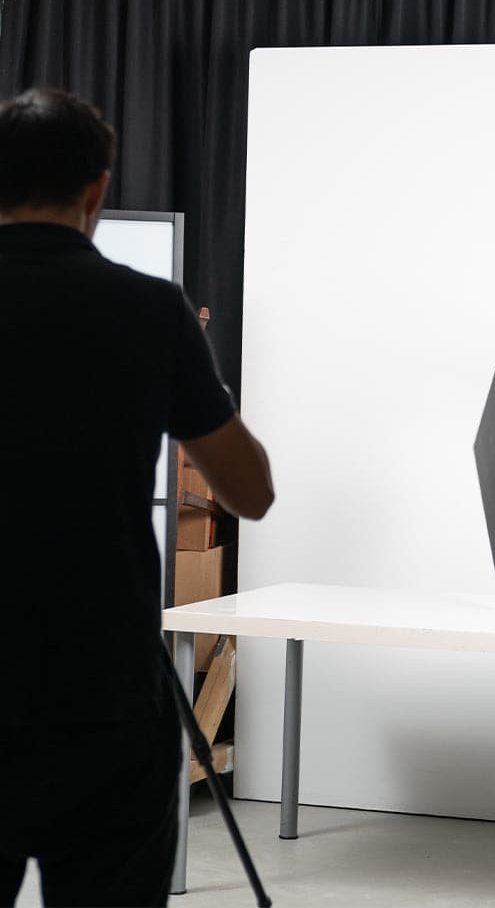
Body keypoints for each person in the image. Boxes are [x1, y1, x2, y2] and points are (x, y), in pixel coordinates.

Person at [0, 87, 275, 907]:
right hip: (105, 691)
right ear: (97, 190)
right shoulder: (150, 310)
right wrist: (189, 377)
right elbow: (249, 491)